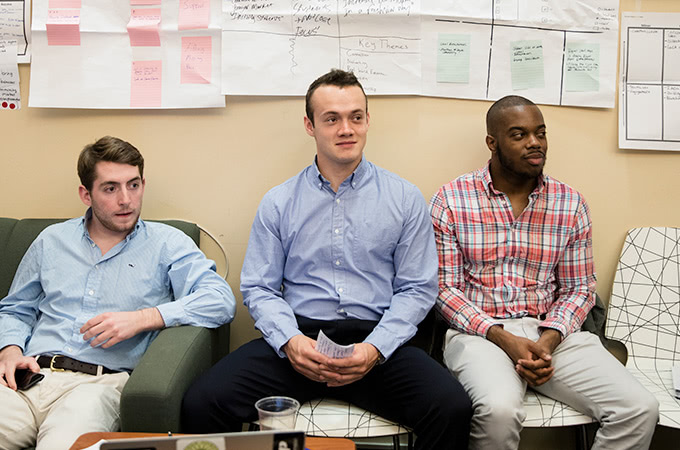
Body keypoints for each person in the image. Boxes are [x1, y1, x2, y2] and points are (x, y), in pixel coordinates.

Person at [182, 69, 472, 449]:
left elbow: (417, 289)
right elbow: (260, 287)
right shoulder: (279, 202)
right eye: (331, 119)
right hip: (300, 341)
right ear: (310, 125)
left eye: (355, 116)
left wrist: (374, 349)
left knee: (451, 408)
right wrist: (290, 342)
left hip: (378, 342)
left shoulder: (404, 198)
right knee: (203, 402)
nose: (346, 129)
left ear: (368, 120)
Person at [430, 95, 659, 450]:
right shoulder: (451, 200)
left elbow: (580, 289)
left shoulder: (571, 203)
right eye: (519, 135)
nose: (534, 143)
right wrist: (504, 338)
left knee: (639, 409)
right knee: (498, 410)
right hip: (480, 334)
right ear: (492, 143)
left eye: (540, 133)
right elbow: (445, 291)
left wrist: (547, 339)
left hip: (552, 334)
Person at [0, 136, 236, 450]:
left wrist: (144, 318)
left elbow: (220, 300)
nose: (126, 200)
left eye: (134, 185)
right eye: (110, 188)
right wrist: (10, 350)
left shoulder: (168, 243)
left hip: (98, 386)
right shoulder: (51, 240)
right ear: (86, 194)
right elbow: (17, 309)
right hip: (29, 379)